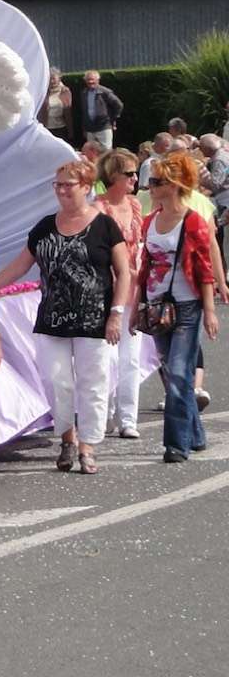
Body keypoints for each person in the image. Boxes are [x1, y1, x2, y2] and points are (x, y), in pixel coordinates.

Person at [0, 160, 130, 475]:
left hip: (94, 320)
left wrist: (116, 313)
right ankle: (67, 436)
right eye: (58, 184)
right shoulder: (44, 227)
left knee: (93, 383)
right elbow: (18, 267)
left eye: (69, 184)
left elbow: (123, 273)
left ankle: (88, 446)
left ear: (86, 186)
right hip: (52, 320)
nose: (62, 190)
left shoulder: (105, 226)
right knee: (56, 381)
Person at [137, 152, 227, 463]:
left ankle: (175, 445)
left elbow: (203, 269)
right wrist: (138, 300)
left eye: (156, 182)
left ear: (173, 186)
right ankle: (197, 435)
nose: (150, 187)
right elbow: (145, 265)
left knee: (178, 372)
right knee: (174, 372)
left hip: (187, 307)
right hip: (156, 307)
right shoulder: (149, 221)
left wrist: (210, 310)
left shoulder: (193, 222)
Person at [95, 148, 145, 439]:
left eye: (135, 173)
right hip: (109, 286)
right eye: (129, 173)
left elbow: (142, 244)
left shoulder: (136, 205)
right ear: (113, 176)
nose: (135, 178)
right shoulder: (100, 208)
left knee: (131, 357)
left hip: (135, 285)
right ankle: (102, 416)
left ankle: (128, 418)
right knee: (107, 358)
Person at [72, 70, 123, 149]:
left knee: (106, 150)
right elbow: (84, 112)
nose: (90, 81)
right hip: (90, 128)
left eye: (92, 79)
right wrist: (85, 128)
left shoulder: (105, 92)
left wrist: (113, 118)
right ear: (85, 81)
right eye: (88, 79)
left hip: (104, 127)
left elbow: (119, 105)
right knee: (92, 151)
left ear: (98, 80)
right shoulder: (84, 93)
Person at [38, 67, 73, 142]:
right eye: (50, 79)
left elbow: (68, 112)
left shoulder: (65, 91)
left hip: (61, 128)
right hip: (47, 128)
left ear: (59, 79)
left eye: (53, 79)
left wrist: (70, 131)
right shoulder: (44, 92)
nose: (52, 81)